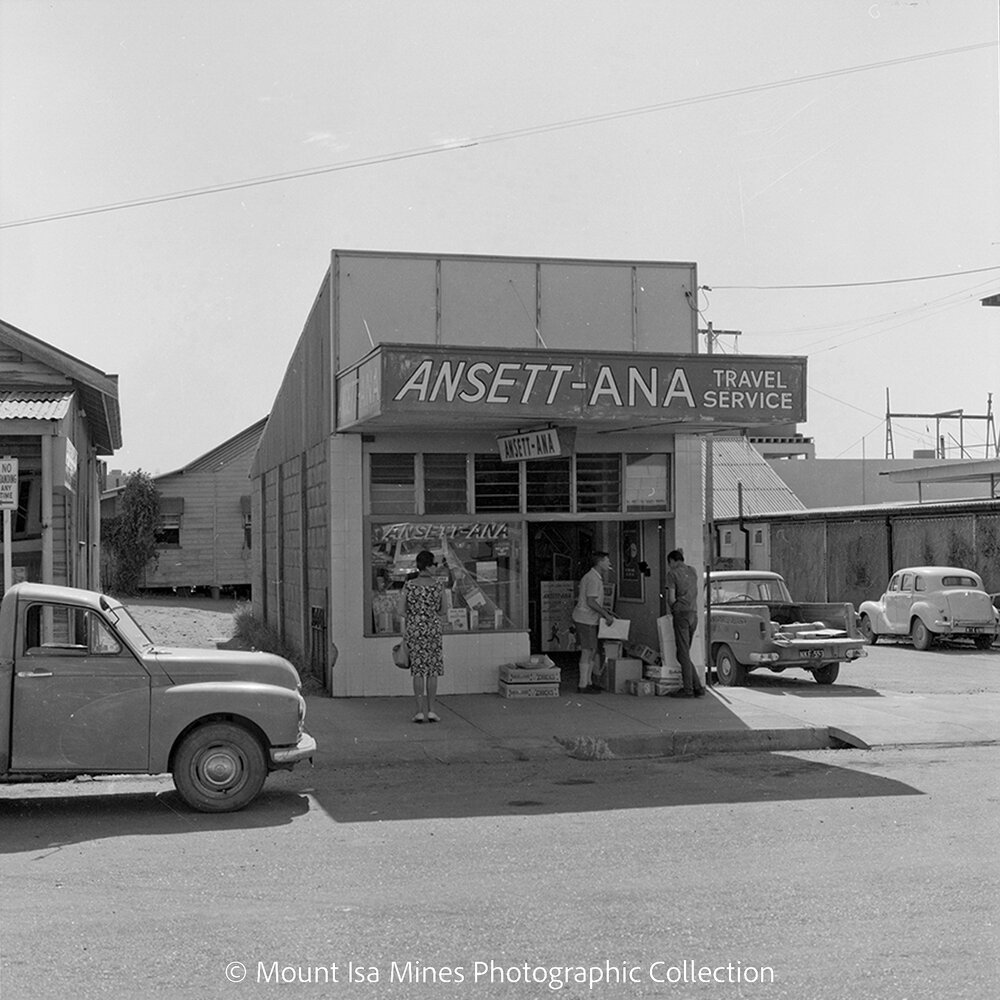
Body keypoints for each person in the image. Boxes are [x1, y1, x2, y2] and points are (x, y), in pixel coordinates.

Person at [403, 549, 445, 723]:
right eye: (434, 564)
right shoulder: (438, 586)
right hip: (433, 630)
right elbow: (443, 610)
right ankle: (432, 710)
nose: (436, 567)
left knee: (418, 671)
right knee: (432, 671)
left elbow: (400, 610)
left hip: (415, 629)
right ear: (427, 566)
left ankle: (419, 711)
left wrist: (414, 616)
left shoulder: (409, 585)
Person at [571, 551, 615, 693]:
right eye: (607, 560)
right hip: (585, 618)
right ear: (599, 562)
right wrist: (605, 614)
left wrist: (604, 613)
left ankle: (588, 681)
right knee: (587, 650)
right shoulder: (593, 579)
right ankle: (583, 684)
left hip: (589, 618)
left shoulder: (594, 577)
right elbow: (591, 601)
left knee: (592, 649)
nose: (609, 563)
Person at [665, 549, 705, 698]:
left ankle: (688, 689)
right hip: (693, 613)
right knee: (684, 653)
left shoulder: (672, 574)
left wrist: (673, 609)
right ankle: (698, 686)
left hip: (681, 613)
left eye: (669, 563)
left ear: (673, 561)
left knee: (682, 653)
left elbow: (671, 597)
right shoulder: (693, 571)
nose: (669, 566)